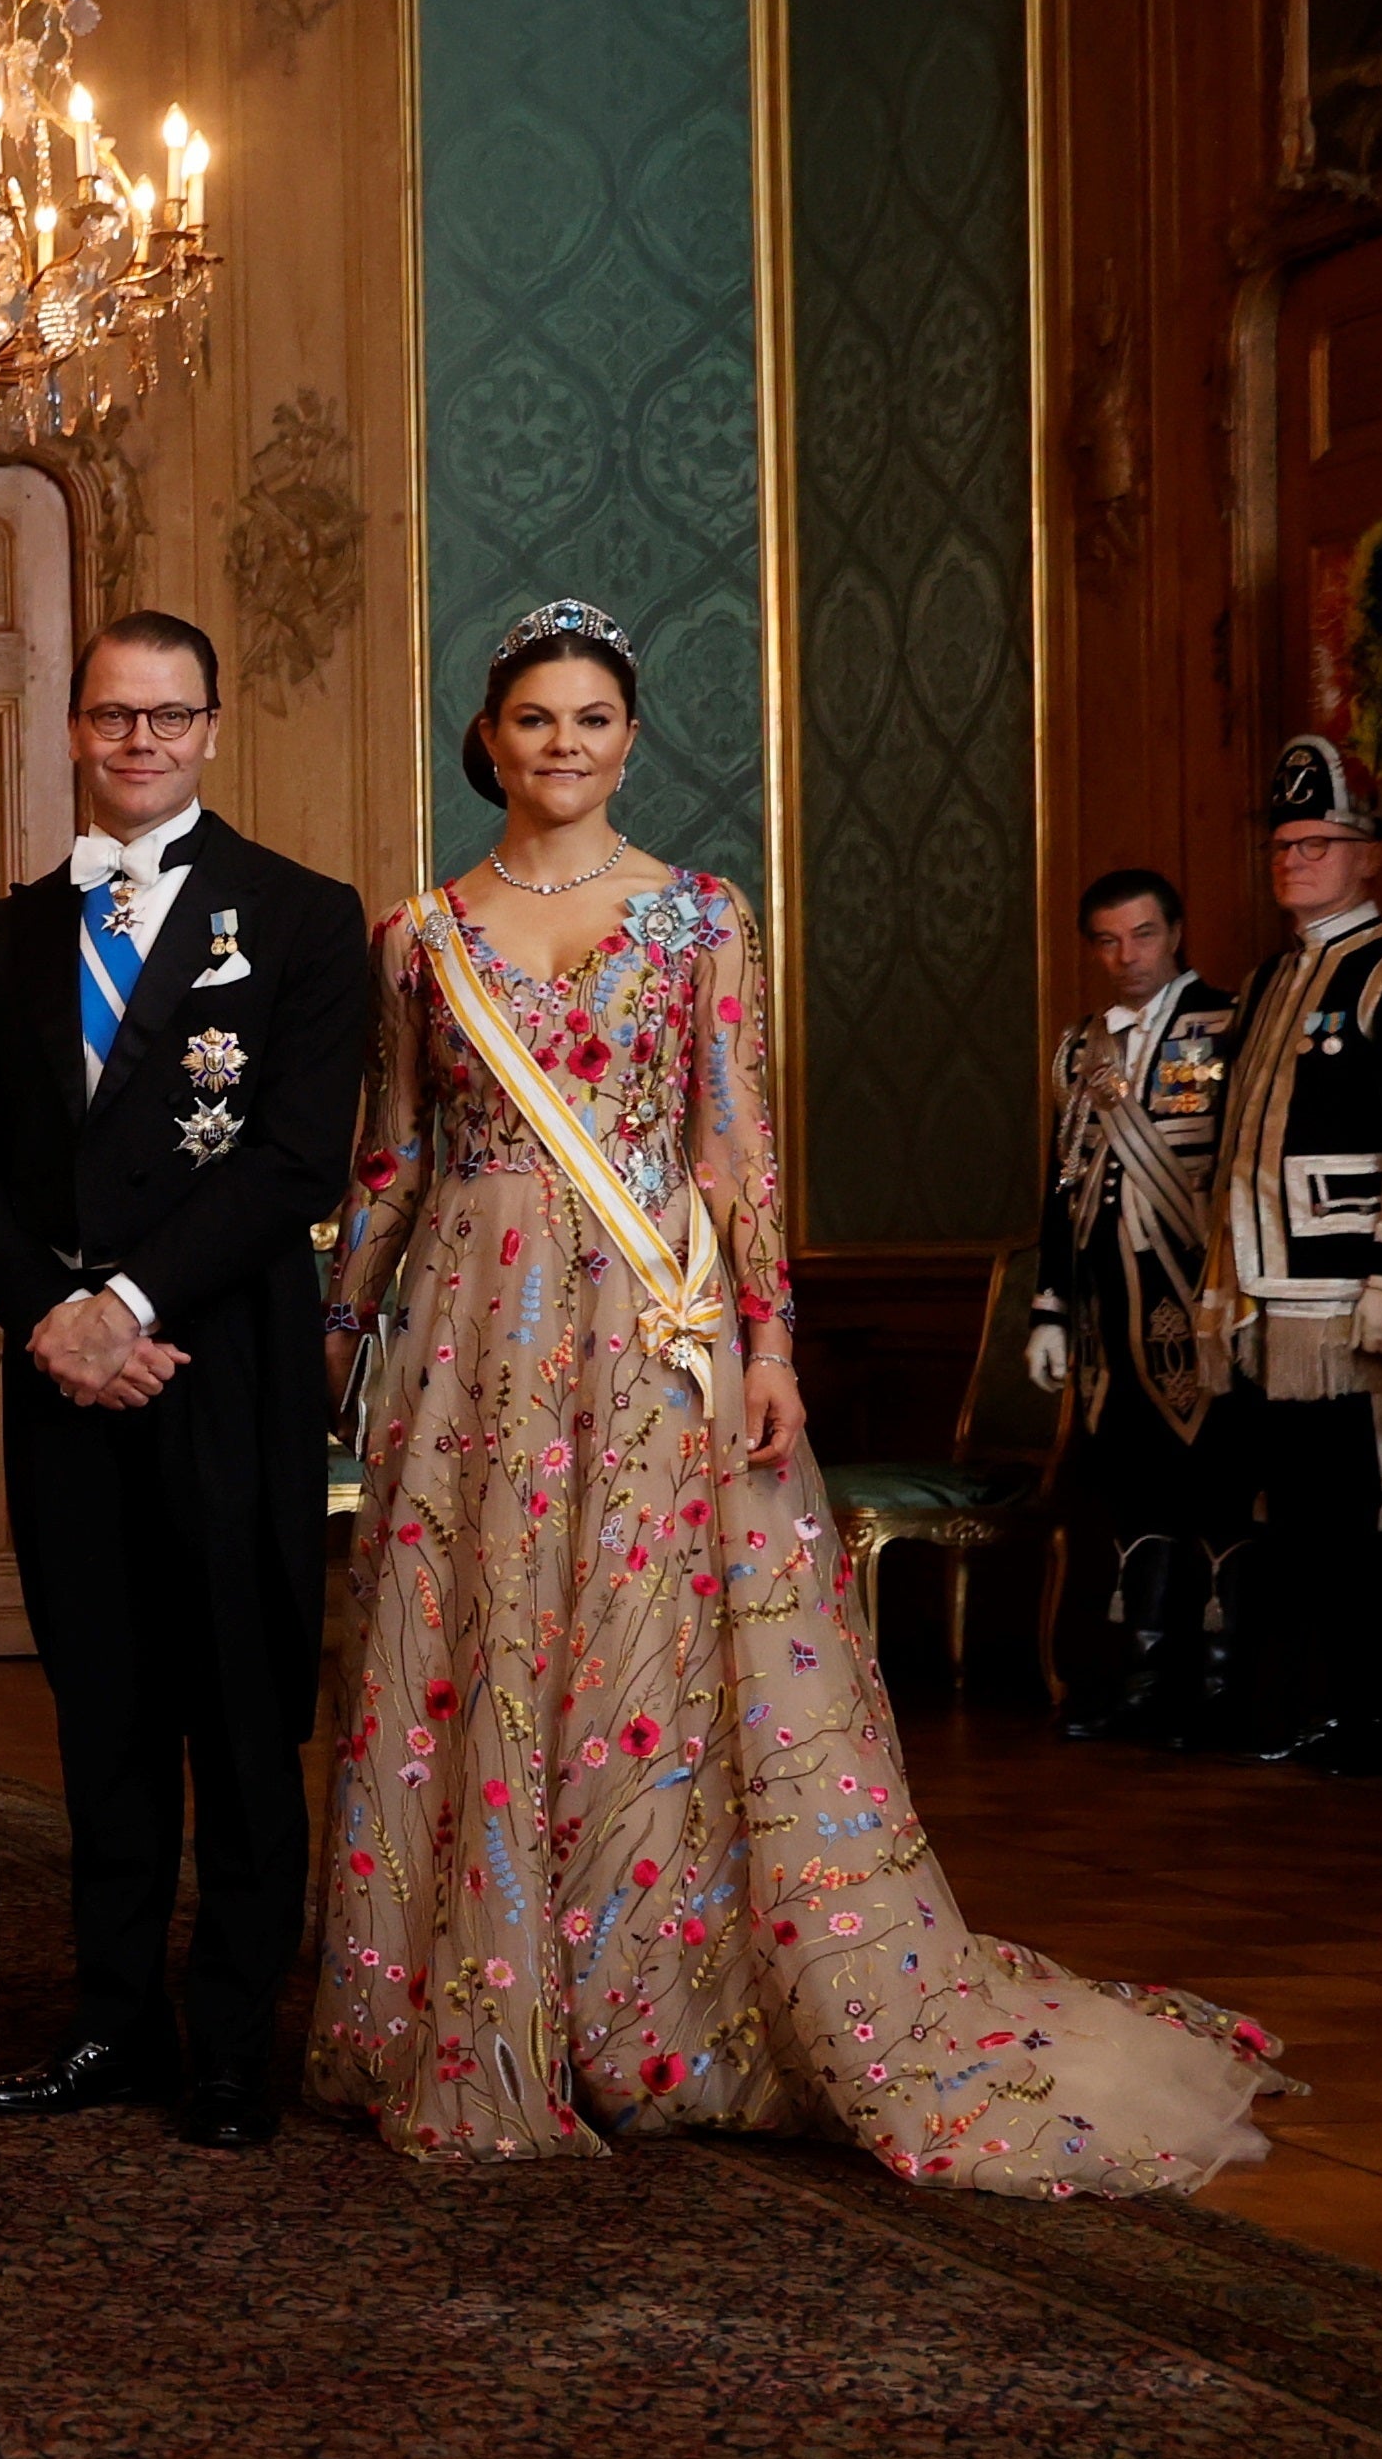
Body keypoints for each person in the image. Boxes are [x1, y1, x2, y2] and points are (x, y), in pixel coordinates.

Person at [314, 602, 1278, 2189]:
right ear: (485, 738)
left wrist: (766, 1348)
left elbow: (734, 1148)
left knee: (638, 1654)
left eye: (592, 718)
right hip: (469, 1342)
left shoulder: (701, 916)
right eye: (534, 717)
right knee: (482, 1646)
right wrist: (340, 1332)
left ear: (632, 737)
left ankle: (645, 2014)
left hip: (648, 1336)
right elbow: (392, 1155)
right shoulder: (415, 935)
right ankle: (485, 2002)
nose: (563, 743)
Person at [0, 610, 369, 2151]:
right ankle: (109, 2019)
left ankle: (233, 2039)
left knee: (240, 1716)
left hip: (225, 1363)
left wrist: (124, 1302)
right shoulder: (12, 928)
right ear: (73, 728)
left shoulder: (304, 916)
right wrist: (54, 1314)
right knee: (102, 1712)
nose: (138, 739)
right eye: (112, 713)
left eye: (166, 714)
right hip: (61, 1377)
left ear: (210, 727)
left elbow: (295, 1157)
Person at [1199, 737, 1382, 1779]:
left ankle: (1378, 1713)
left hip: (1352, 1299)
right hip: (1267, 1294)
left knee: (1370, 1509)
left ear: (1367, 854)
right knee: (1299, 1513)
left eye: (1317, 843)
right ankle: (1321, 1704)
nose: (1293, 860)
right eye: (1283, 844)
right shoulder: (1267, 979)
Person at [1026, 867, 1245, 1744]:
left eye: (1143, 934)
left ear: (1176, 932)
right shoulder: (1081, 1049)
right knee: (1134, 1485)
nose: (1128, 956)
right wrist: (1049, 1306)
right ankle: (1148, 1679)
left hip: (1204, 1301)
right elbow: (1062, 1187)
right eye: (1109, 941)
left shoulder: (1229, 1023)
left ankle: (1222, 1687)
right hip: (1108, 1310)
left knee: (1219, 1486)